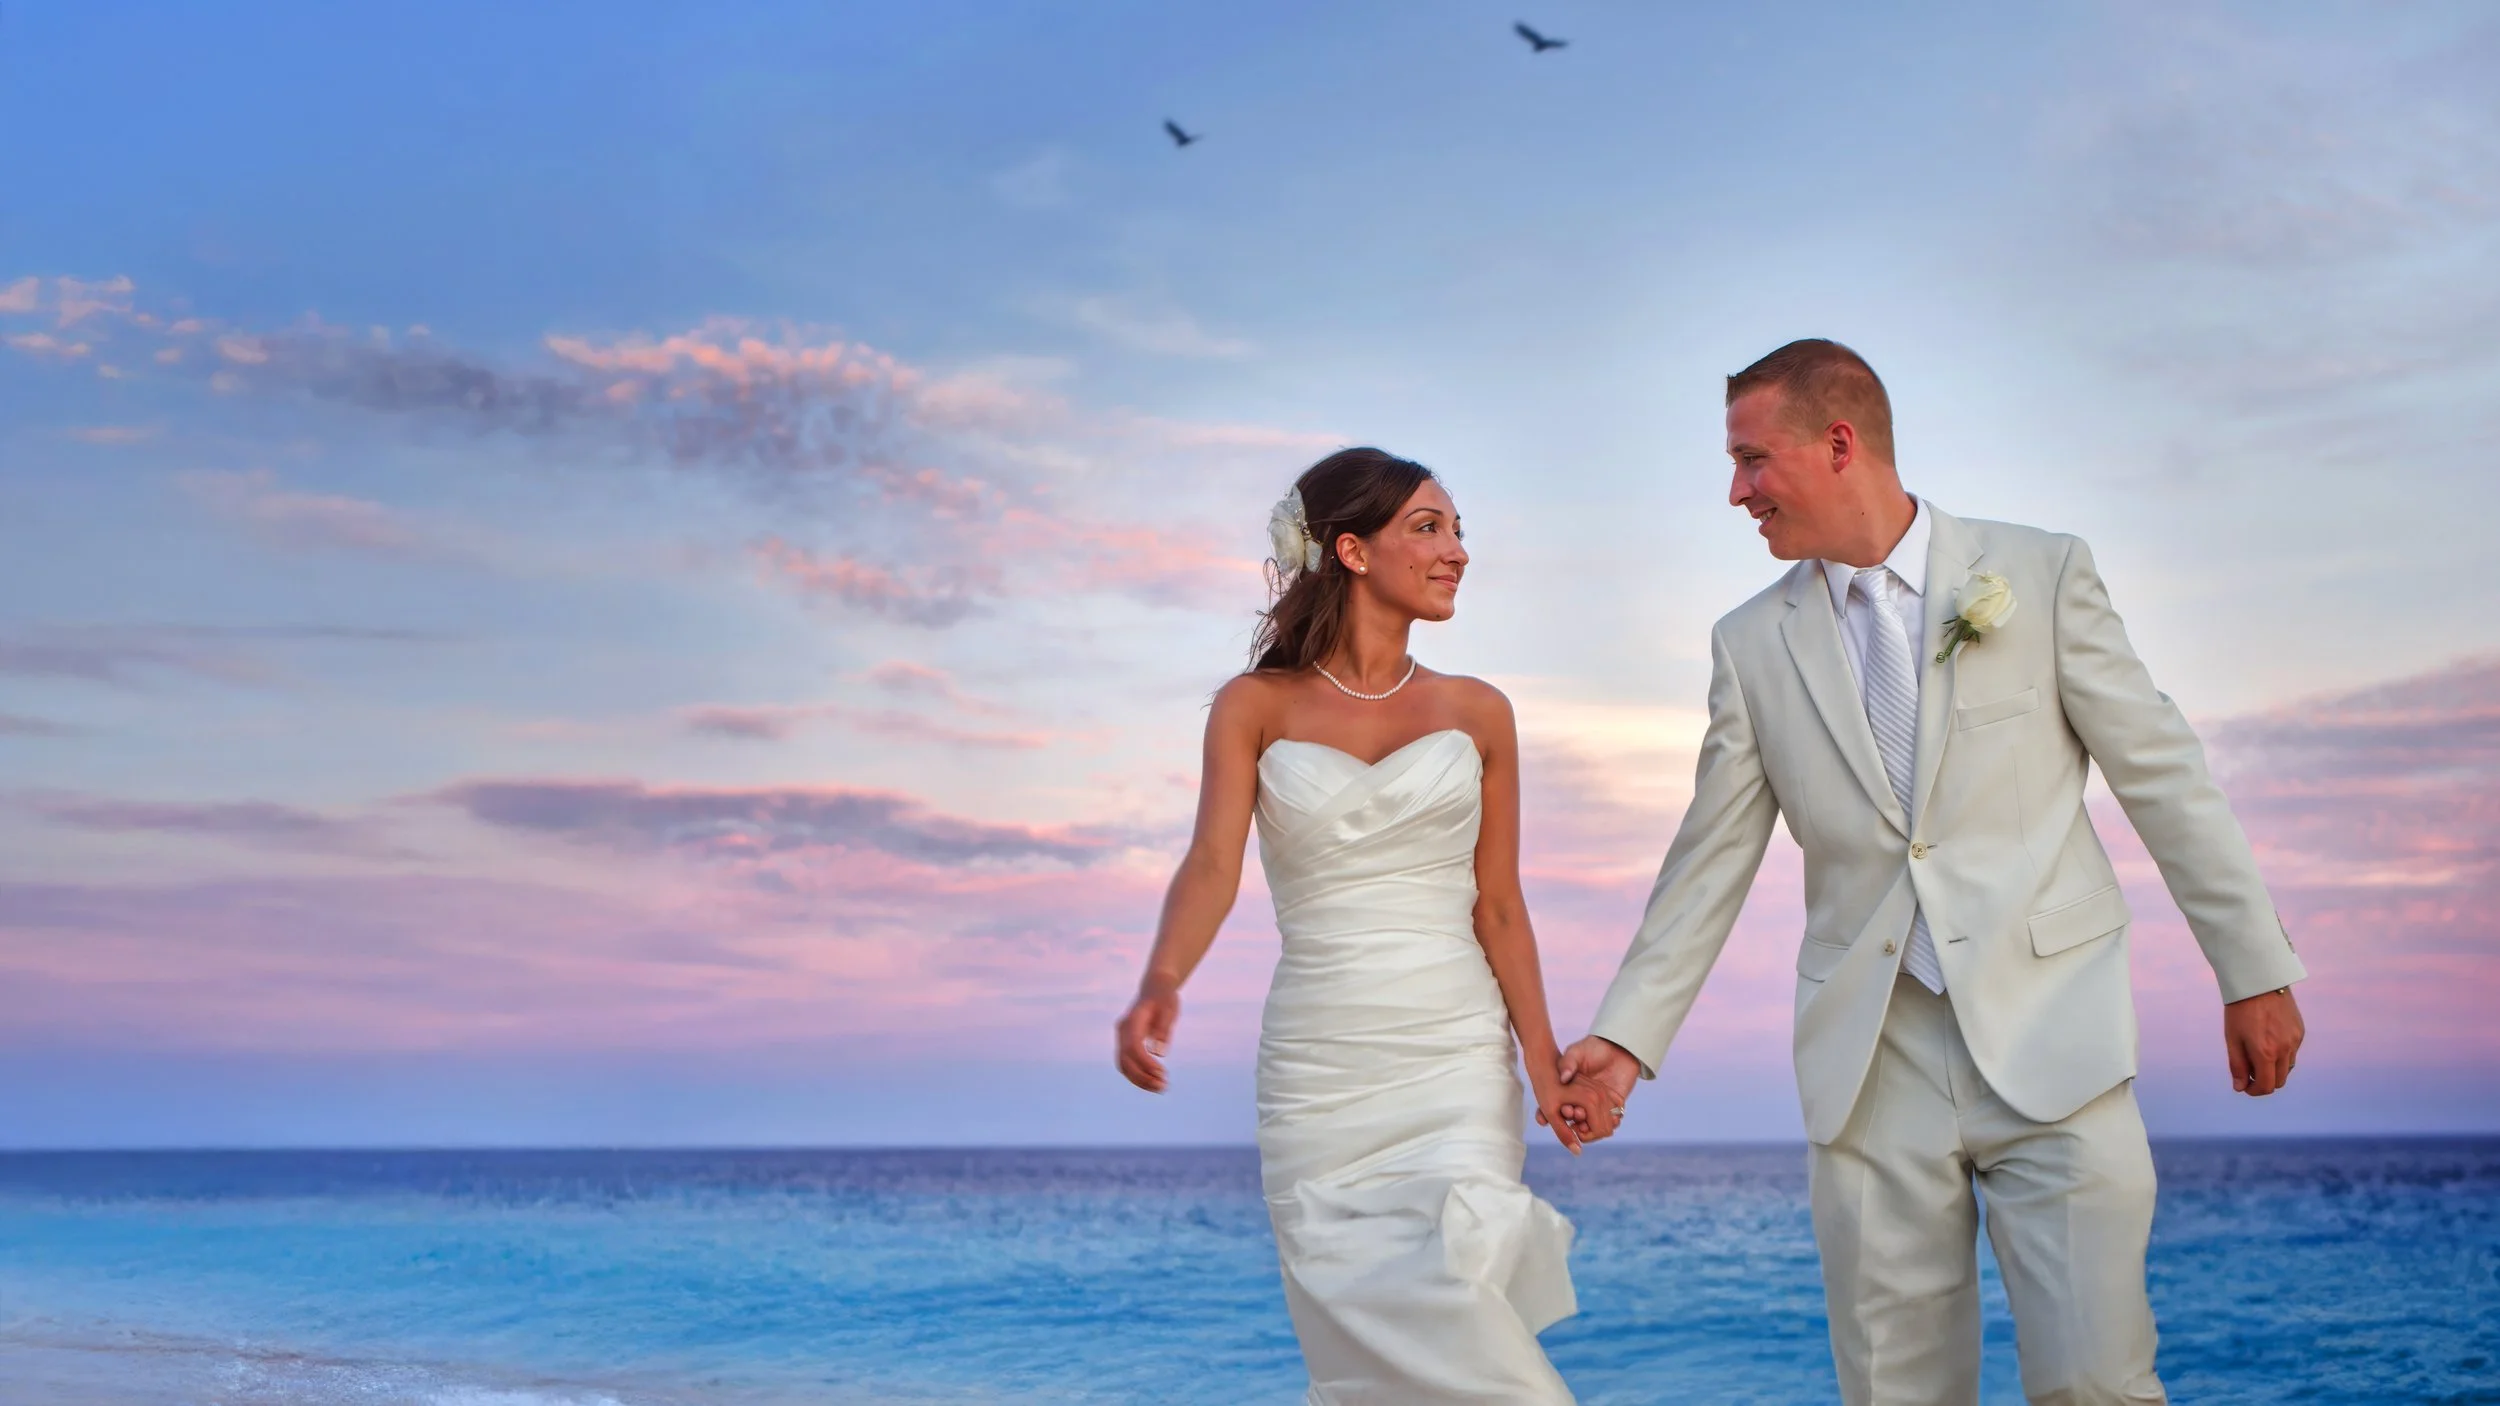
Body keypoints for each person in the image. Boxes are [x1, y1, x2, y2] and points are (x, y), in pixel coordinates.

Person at [1560, 339, 2309, 1404]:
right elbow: (1708, 858)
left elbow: (2162, 773)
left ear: (1836, 443)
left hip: (2057, 1044)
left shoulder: (2037, 573)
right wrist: (1626, 1039)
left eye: (1750, 459)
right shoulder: (1748, 643)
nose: (1734, 492)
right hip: (1869, 1069)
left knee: (2098, 1382)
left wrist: (2252, 965)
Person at [1114, 447, 1600, 1405]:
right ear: (1351, 549)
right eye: (1428, 527)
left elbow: (1498, 903)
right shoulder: (1254, 707)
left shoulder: (1480, 712)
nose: (1456, 550)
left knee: (1463, 1314)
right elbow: (1213, 864)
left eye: (1459, 530)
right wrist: (1162, 980)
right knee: (1375, 1354)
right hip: (1321, 1069)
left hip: (1454, 1059)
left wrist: (1543, 1066)